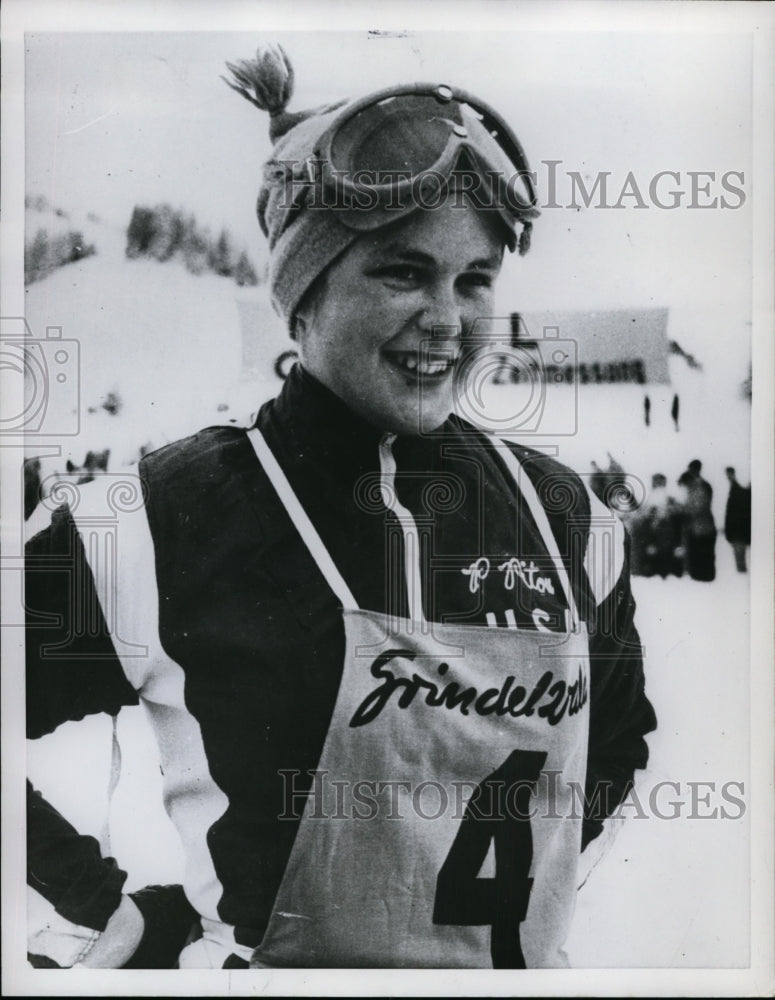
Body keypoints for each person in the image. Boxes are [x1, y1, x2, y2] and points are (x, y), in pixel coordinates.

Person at [25, 44, 657, 970]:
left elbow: (614, 741)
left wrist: (482, 905)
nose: (446, 316)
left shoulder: (566, 519)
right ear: (305, 292)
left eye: (474, 278)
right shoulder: (154, 521)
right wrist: (96, 896)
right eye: (403, 272)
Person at [677, 459, 716, 581]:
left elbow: (699, 506)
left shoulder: (699, 486)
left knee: (702, 554)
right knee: (701, 554)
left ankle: (702, 577)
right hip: (700, 526)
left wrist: (684, 511)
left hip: (701, 526)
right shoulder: (700, 485)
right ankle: (700, 576)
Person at [723, 466, 751, 572]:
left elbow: (734, 513)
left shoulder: (736, 490)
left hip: (738, 531)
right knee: (740, 559)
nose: (728, 477)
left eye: (729, 474)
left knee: (740, 560)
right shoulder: (736, 489)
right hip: (739, 531)